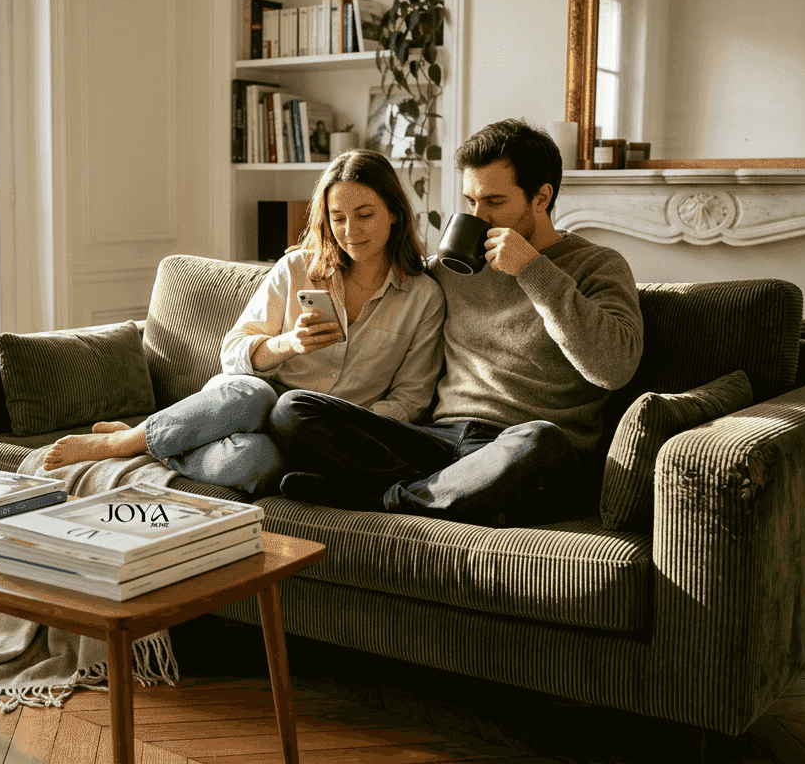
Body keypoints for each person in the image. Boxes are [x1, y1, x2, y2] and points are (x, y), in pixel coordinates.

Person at [270, 119, 644, 527]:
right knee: (293, 410)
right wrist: (317, 259)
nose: (478, 217)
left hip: (521, 449)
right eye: (471, 202)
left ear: (542, 197)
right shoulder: (455, 266)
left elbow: (614, 368)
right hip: (440, 438)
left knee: (541, 440)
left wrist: (533, 270)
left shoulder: (597, 266)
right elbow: (385, 275)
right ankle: (439, 493)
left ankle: (385, 500)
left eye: (495, 202)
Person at [41, 149, 446, 495]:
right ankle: (124, 441)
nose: (349, 231)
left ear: (394, 213)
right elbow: (233, 353)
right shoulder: (296, 269)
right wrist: (290, 344)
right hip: (248, 401)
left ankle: (159, 441)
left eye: (364, 215)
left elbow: (411, 400)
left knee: (252, 465)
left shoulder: (423, 298)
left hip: (315, 431)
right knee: (254, 398)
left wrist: (340, 431)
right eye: (337, 218)